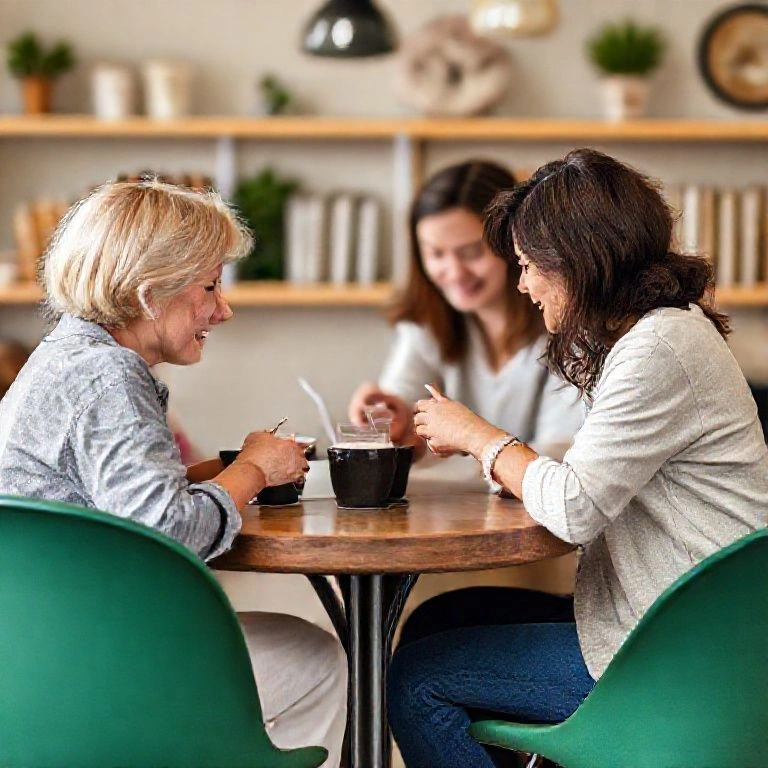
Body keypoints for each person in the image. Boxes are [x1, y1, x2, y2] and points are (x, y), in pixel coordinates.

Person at [388, 148, 768, 768]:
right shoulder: (657, 333)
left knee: (417, 679)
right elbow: (586, 479)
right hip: (681, 627)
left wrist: (481, 438)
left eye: (531, 266)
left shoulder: (656, 350)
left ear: (580, 262)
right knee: (443, 619)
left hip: (677, 659)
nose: (522, 285)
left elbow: (572, 508)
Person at [0, 180, 346, 767]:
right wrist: (256, 471)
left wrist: (226, 469)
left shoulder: (63, 358)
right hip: (91, 669)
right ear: (148, 293)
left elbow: (112, 505)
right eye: (210, 286)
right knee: (322, 663)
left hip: (32, 655)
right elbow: (167, 532)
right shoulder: (110, 379)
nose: (223, 309)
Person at [347, 160, 583, 461]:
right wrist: (390, 415)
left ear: (517, 245)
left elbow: (559, 456)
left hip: (536, 504)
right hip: (450, 506)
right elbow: (403, 407)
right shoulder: (427, 324)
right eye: (435, 253)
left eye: (471, 252)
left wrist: (468, 439)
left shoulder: (567, 329)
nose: (454, 272)